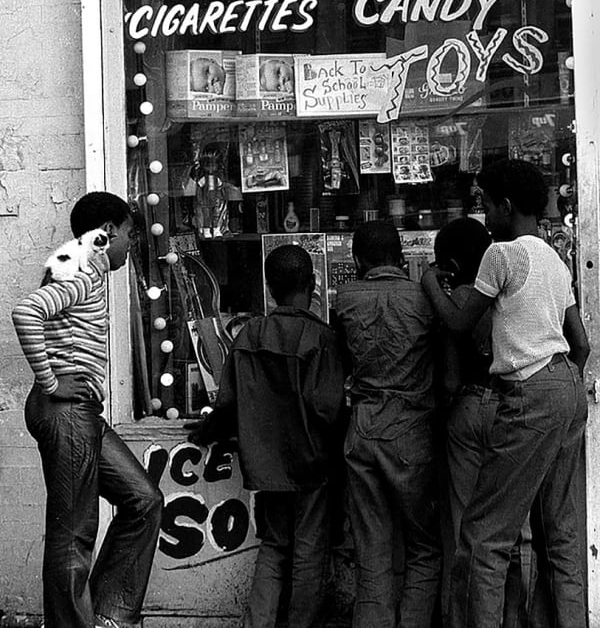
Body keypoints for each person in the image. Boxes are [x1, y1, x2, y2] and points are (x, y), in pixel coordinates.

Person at [421, 159, 590, 628]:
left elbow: (459, 323)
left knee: (482, 537)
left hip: (530, 393)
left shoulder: (502, 254)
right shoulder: (553, 258)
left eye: (486, 205)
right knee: (558, 532)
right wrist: (559, 384)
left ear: (506, 206)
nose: (484, 215)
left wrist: (431, 284)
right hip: (567, 387)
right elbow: (582, 343)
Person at [12, 191, 164, 628]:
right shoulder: (81, 268)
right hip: (67, 411)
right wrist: (52, 381)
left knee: (144, 501)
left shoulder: (80, 264)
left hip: (82, 413)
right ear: (109, 232)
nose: (131, 244)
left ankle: (107, 616)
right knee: (74, 532)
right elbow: (26, 313)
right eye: (130, 234)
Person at [186, 244, 345, 628]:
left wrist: (205, 433)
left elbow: (228, 404)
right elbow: (328, 409)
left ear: (270, 288)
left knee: (274, 546)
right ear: (311, 285)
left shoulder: (249, 334)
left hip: (267, 464)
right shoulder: (319, 338)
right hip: (312, 463)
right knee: (309, 551)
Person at [333, 220, 442, 628]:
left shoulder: (345, 298)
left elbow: (342, 359)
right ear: (401, 258)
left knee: (372, 550)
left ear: (357, 260)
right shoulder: (423, 298)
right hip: (412, 428)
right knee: (425, 548)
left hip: (362, 426)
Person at [434, 217, 528, 628]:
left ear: (451, 264)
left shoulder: (458, 301)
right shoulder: (508, 292)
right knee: (511, 529)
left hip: (470, 407)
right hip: (512, 407)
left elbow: (452, 380)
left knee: (464, 527)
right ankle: (513, 617)